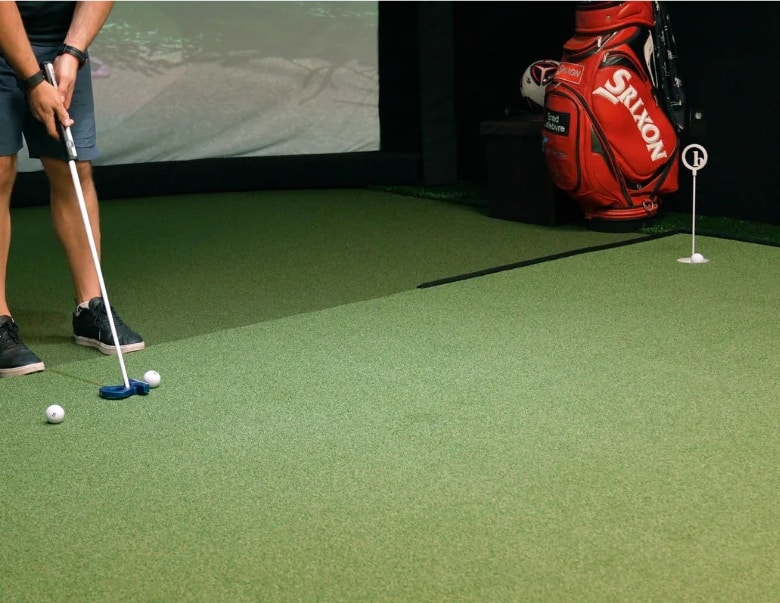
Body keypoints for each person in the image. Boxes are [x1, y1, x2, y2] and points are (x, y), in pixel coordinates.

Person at [0, 1, 143, 378]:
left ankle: (90, 307)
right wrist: (33, 80)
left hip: (57, 39)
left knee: (74, 167)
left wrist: (73, 52)